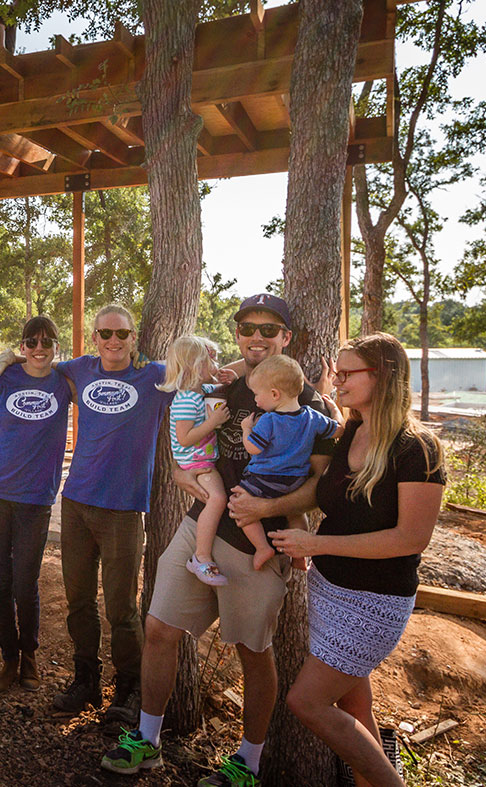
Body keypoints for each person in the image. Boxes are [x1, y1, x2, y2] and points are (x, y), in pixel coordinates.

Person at [101, 293, 338, 784]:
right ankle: (147, 740)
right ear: (237, 334)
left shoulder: (307, 403)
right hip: (201, 526)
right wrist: (178, 469)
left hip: (261, 545)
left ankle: (247, 764)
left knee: (254, 653)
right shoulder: (226, 384)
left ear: (286, 338)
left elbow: (320, 487)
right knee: (160, 629)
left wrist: (269, 508)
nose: (257, 337)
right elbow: (184, 426)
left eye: (268, 330)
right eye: (247, 328)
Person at [269, 333, 446, 787]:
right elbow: (326, 494)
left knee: (305, 703)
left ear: (383, 375)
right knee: (354, 705)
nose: (338, 381)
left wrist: (317, 545)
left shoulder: (417, 449)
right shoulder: (351, 430)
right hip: (329, 588)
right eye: (338, 373)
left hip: (374, 601)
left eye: (348, 374)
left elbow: (410, 538)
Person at [0, 304, 174, 726]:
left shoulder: (154, 375)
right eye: (105, 333)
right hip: (76, 503)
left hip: (124, 508)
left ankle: (128, 691)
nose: (113, 341)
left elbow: (201, 372)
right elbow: (37, 359)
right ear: (94, 337)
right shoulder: (80, 369)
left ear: (133, 337)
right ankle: (85, 680)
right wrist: (5, 358)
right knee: (79, 602)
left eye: (122, 334)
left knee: (122, 608)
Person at [0, 316, 74, 694]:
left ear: (57, 346)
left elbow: (104, 374)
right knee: (0, 580)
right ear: (23, 345)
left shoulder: (65, 383)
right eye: (32, 341)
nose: (40, 348)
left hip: (35, 498)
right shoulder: (2, 379)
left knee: (26, 582)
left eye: (47, 341)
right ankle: (8, 660)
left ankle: (31, 658)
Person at [237, 354, 342, 570]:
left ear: (275, 394)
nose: (255, 400)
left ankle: (262, 547)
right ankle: (298, 554)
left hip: (264, 480)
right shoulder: (312, 417)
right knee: (295, 513)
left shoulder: (269, 420)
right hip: (296, 481)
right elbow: (339, 430)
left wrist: (246, 429)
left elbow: (253, 447)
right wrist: (335, 411)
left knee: (239, 504)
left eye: (257, 394)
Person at [157, 335, 234, 587]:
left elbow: (220, 385)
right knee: (218, 498)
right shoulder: (186, 399)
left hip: (203, 458)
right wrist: (213, 423)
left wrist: (228, 378)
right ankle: (201, 557)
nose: (216, 364)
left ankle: (202, 554)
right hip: (195, 462)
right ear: (193, 366)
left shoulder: (203, 391)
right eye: (209, 360)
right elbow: (185, 438)